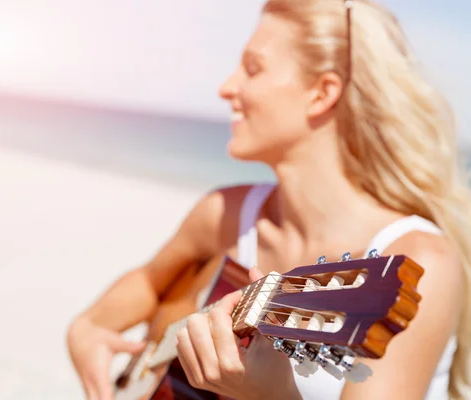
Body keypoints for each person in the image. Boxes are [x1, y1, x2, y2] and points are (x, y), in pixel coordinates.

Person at [66, 0, 471, 398]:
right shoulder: (224, 214)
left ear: (321, 93)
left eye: (253, 68)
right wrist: (87, 328)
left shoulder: (416, 267)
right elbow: (151, 280)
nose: (227, 87)